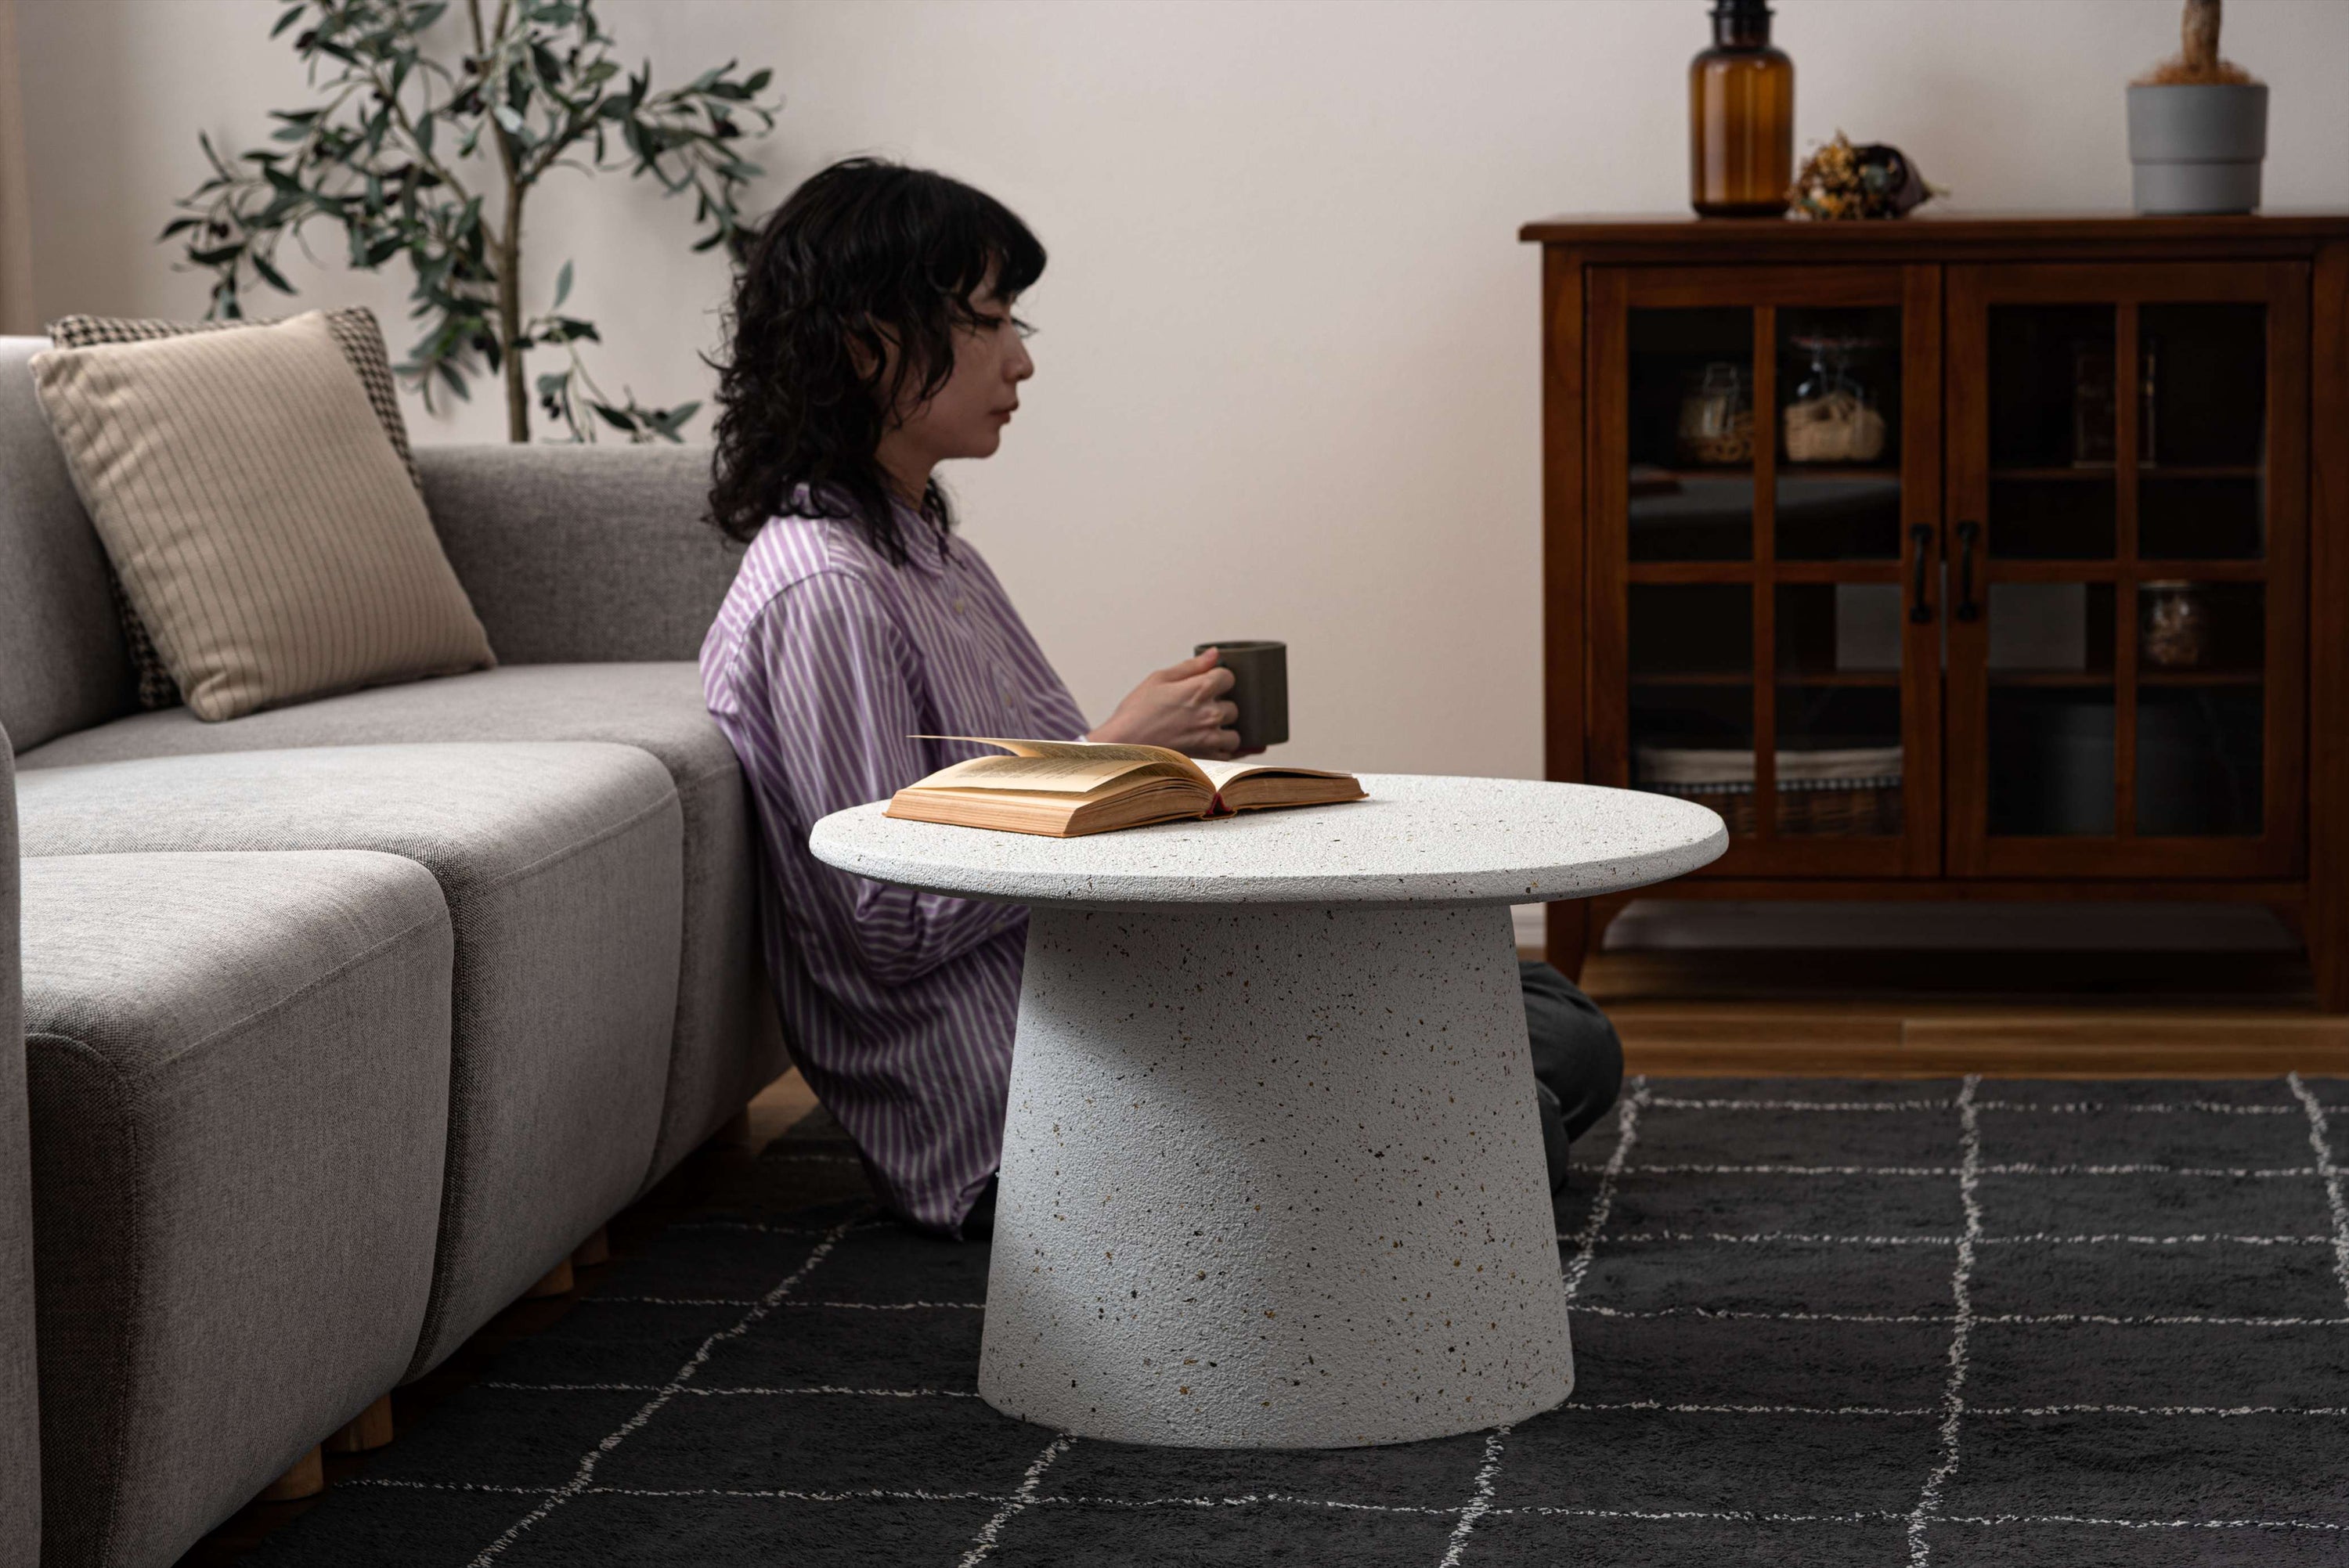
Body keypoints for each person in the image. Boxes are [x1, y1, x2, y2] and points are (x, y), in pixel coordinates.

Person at [701, 158, 1620, 1239]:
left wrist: (1168, 775)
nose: (1021, 358)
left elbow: (1044, 809)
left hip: (1115, 1001)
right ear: (870, 345)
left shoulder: (930, 557)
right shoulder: (826, 593)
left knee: (1555, 1026)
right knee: (1510, 1104)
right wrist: (1109, 752)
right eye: (989, 320)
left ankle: (1394, 1133)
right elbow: (884, 921)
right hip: (1023, 1106)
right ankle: (1402, 1139)